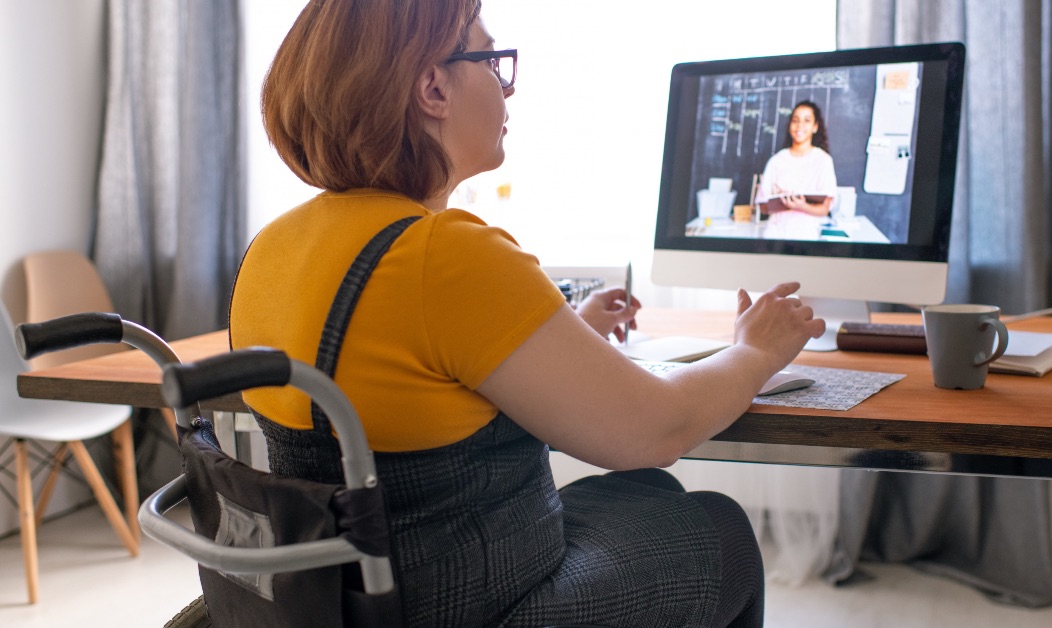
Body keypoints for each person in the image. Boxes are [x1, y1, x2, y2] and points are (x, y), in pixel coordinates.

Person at [229, 1, 825, 626]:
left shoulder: (270, 248)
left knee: (648, 499)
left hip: (340, 601)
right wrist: (755, 351)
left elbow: (404, 375)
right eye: (492, 60)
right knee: (719, 527)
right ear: (434, 87)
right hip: (477, 607)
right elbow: (656, 432)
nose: (508, 83)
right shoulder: (446, 252)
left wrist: (572, 334)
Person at [755, 100, 838, 218]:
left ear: (815, 127)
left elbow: (824, 208)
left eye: (807, 120)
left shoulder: (823, 160)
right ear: (790, 126)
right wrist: (781, 201)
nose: (800, 125)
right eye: (795, 120)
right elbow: (763, 207)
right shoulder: (776, 161)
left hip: (808, 233)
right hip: (776, 232)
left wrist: (801, 206)